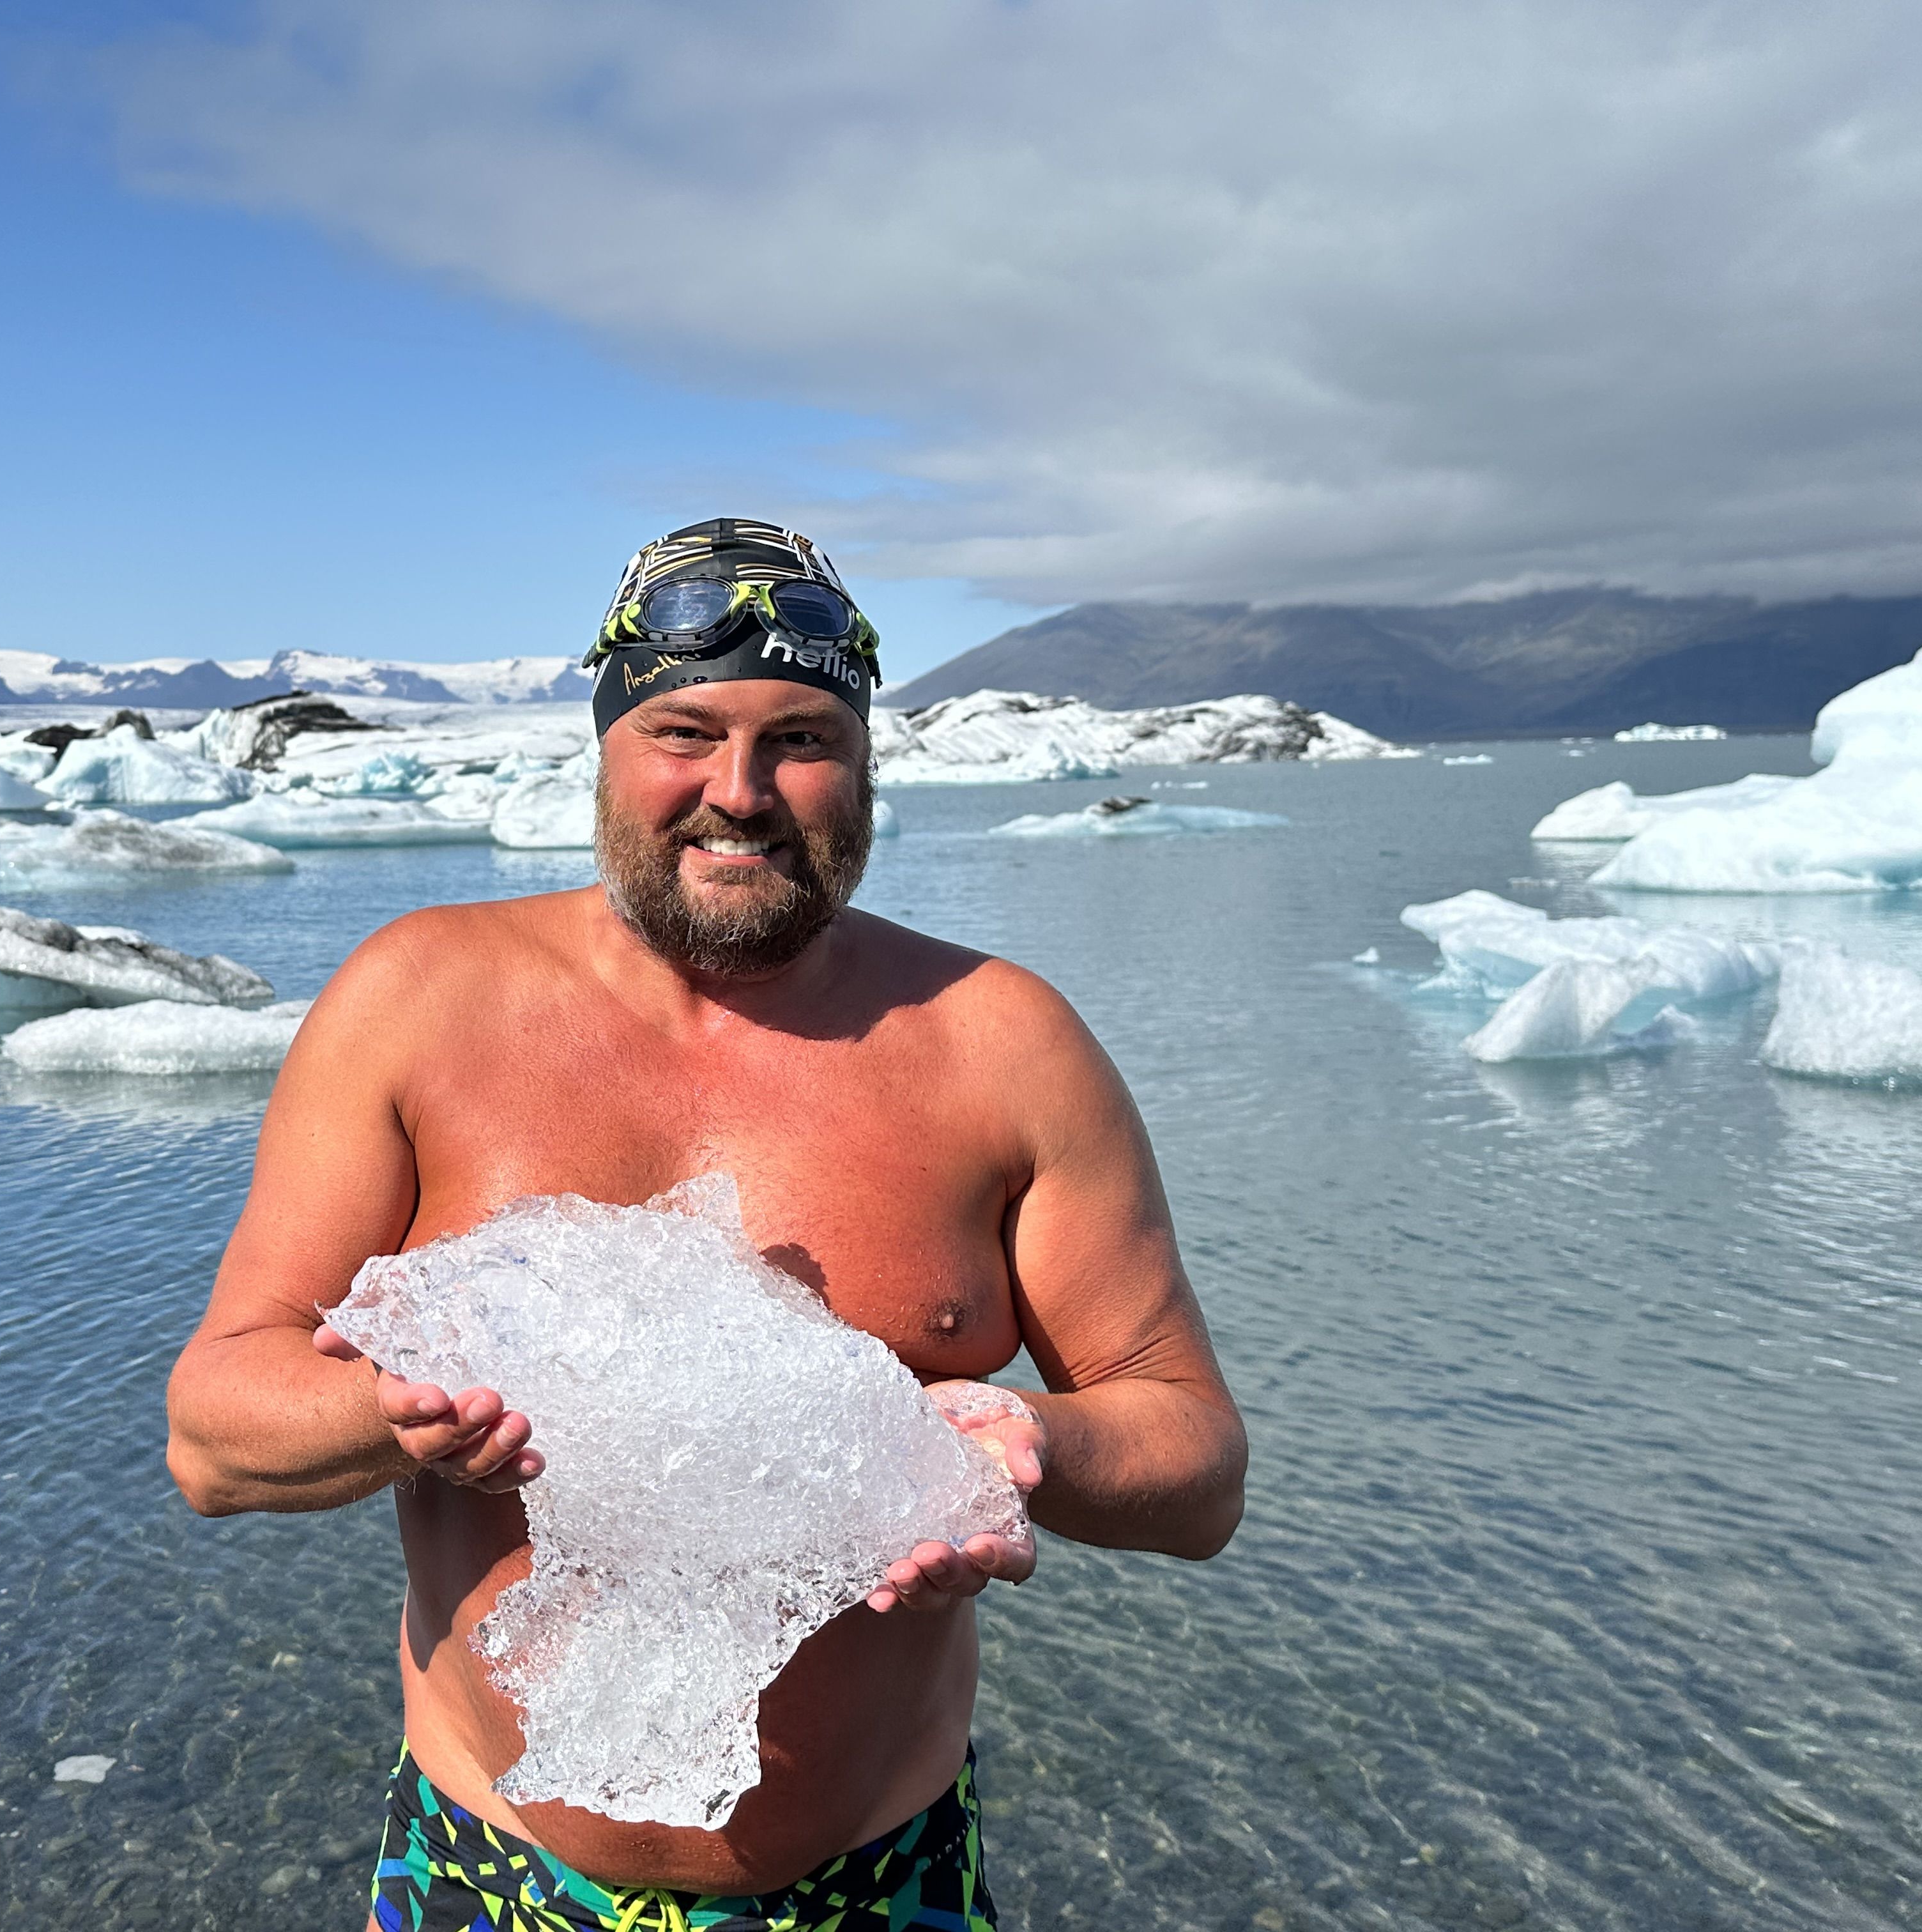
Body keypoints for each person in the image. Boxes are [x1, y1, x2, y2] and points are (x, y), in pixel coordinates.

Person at [166, 517, 1247, 1930]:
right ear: (607, 749)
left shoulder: (1004, 1044)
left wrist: (1029, 1445)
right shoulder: (419, 1000)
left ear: (863, 762)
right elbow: (213, 1437)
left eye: (801, 739)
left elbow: (1198, 1470)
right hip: (483, 1870)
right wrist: (401, 1415)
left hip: (882, 1887)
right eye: (684, 733)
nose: (739, 793)